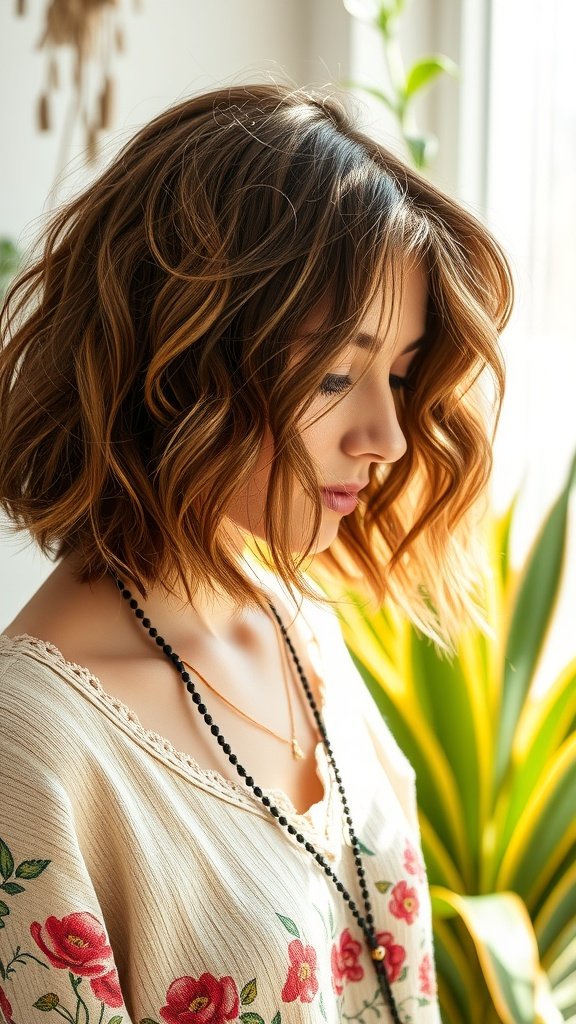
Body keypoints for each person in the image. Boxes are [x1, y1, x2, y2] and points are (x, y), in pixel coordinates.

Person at [0, 84, 512, 1024]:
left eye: (398, 376)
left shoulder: (299, 626)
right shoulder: (30, 750)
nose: (389, 437)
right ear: (184, 353)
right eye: (334, 374)